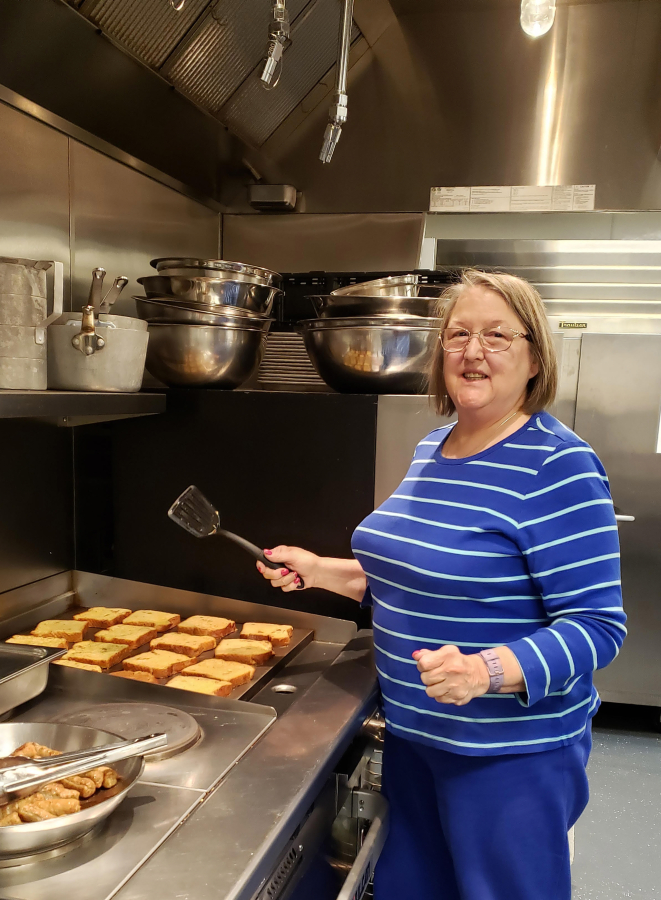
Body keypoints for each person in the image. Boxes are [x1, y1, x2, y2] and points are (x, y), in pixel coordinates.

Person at [256, 269, 626, 900]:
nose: (472, 351)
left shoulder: (558, 466)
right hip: (415, 739)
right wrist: (323, 572)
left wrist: (487, 671)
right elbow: (415, 580)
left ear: (534, 356)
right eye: (457, 335)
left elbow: (598, 628)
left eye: (496, 336)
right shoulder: (435, 447)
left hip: (507, 758)